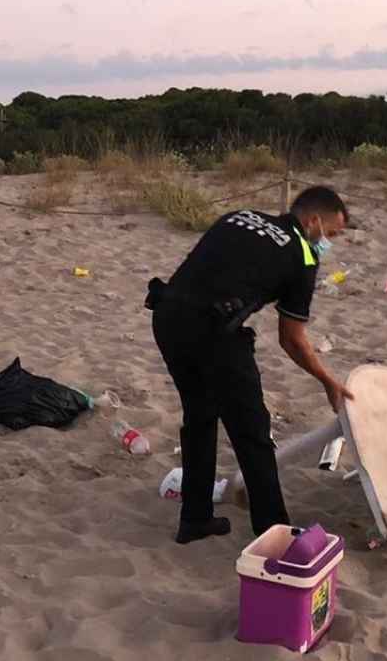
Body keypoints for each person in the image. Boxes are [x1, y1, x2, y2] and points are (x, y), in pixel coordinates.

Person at [147, 186, 353, 544]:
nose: (328, 243)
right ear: (313, 220)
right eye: (331, 234)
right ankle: (275, 532)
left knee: (199, 416)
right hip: (213, 331)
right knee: (253, 432)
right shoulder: (302, 255)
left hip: (167, 315)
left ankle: (195, 519)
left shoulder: (241, 216)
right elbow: (291, 338)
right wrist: (328, 380)